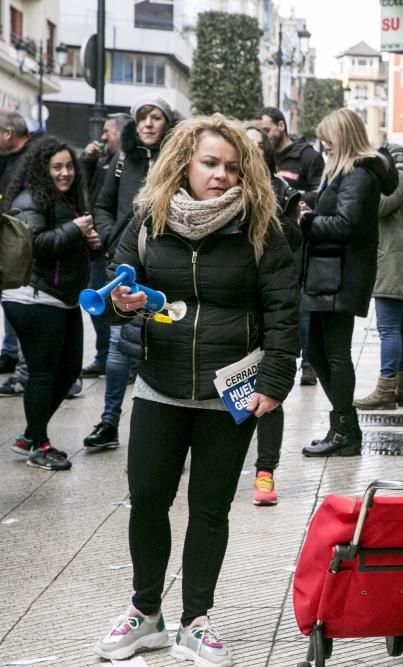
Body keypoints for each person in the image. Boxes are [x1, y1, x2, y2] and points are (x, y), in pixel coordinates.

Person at [92, 114, 298, 666]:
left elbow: (283, 308)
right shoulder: (148, 216)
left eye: (232, 167)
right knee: (147, 504)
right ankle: (146, 614)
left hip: (227, 392)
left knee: (210, 511)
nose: (222, 175)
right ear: (185, 162)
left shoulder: (261, 225)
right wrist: (121, 303)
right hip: (159, 387)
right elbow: (115, 286)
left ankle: (195, 621)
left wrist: (276, 380)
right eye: (210, 163)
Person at [300, 109, 397, 457]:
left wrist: (307, 222)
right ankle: (345, 425)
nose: (324, 144)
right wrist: (308, 202)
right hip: (330, 273)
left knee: (335, 352)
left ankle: (343, 431)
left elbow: (345, 224)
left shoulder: (358, 173)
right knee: (315, 349)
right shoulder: (345, 170)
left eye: (328, 137)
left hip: (341, 274)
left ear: (343, 137)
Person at [1, 136, 100, 470]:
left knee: (70, 369)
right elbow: (35, 244)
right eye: (57, 166)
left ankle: (30, 434)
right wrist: (75, 230)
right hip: (34, 298)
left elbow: (66, 241)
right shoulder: (31, 197)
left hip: (62, 299)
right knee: (43, 374)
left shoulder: (64, 198)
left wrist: (90, 241)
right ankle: (39, 445)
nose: (65, 172)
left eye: (69, 166)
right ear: (42, 168)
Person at [84, 95, 175, 450]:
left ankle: (164, 432)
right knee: (119, 347)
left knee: (163, 342)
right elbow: (103, 204)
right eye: (142, 118)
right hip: (124, 263)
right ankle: (109, 421)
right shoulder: (125, 158)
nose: (149, 124)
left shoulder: (178, 159)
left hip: (165, 264)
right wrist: (110, 236)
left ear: (168, 123)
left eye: (156, 117)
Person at [244, 124, 304, 506]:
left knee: (270, 392)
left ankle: (265, 472)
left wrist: (281, 215)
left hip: (266, 304)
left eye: (256, 147)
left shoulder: (281, 192)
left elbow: (294, 243)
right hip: (228, 312)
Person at [353, 143, 403, 410]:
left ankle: (386, 388)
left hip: (394, 263)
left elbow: (376, 206)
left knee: (388, 328)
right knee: (400, 327)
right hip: (398, 261)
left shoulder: (401, 180)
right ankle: (402, 388)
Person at [258, 106, 320, 386]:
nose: (265, 138)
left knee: (297, 304)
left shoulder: (306, 156)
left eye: (268, 131)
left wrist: (301, 200)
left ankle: (307, 364)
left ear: (281, 126)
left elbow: (320, 191)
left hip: (296, 246)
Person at [79, 112, 131, 378]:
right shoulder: (104, 162)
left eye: (107, 131)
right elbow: (93, 198)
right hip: (101, 246)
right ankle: (104, 355)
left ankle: (119, 360)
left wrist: (107, 236)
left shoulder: (125, 164)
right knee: (100, 305)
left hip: (112, 248)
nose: (102, 137)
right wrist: (87, 163)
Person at [0, 110, 36, 379]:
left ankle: (24, 365)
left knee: (19, 300)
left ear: (8, 134)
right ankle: (10, 353)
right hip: (11, 240)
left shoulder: (33, 159)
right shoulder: (9, 159)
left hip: (23, 242)